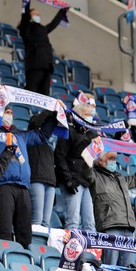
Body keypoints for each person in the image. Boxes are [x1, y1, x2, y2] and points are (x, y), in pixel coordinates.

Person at [0, 92, 59, 247]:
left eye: (11, 112)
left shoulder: (21, 135)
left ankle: (25, 259)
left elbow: (42, 135)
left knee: (25, 232)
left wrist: (55, 114)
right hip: (2, 186)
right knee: (4, 229)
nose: (10, 115)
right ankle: (3, 260)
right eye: (6, 112)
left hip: (23, 188)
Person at [84, 150, 136, 261]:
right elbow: (86, 168)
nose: (115, 161)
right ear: (100, 160)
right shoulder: (95, 176)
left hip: (127, 227)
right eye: (111, 158)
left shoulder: (120, 178)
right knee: (110, 268)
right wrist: (92, 152)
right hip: (110, 227)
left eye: (115, 158)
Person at [54, 96, 100, 231]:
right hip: (73, 181)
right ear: (78, 116)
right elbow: (59, 155)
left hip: (87, 181)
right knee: (73, 221)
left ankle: (89, 251)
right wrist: (68, 180)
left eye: (91, 115)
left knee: (90, 223)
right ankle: (71, 251)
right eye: (86, 115)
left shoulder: (93, 134)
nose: (90, 118)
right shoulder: (68, 130)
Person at [20, 0, 68, 96]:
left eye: (38, 15)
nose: (38, 16)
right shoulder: (26, 27)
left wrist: (62, 11)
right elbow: (24, 15)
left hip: (46, 64)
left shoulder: (42, 29)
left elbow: (53, 24)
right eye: (35, 14)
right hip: (35, 63)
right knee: (31, 89)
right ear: (29, 15)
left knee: (44, 93)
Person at [27, 111, 58, 228]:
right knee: (37, 220)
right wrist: (51, 111)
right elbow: (35, 123)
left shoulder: (49, 148)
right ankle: (32, 244)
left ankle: (41, 246)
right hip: (36, 181)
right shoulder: (29, 141)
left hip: (50, 185)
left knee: (45, 222)